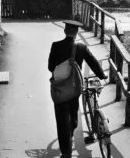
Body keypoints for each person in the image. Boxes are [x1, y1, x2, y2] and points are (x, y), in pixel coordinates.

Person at [48, 20, 107, 158]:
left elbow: (50, 67)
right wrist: (102, 75)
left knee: (61, 119)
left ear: (65, 31)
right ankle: (71, 132)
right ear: (77, 33)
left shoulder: (55, 46)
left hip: (59, 88)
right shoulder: (81, 48)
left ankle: (66, 151)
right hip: (74, 89)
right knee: (73, 116)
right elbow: (93, 62)